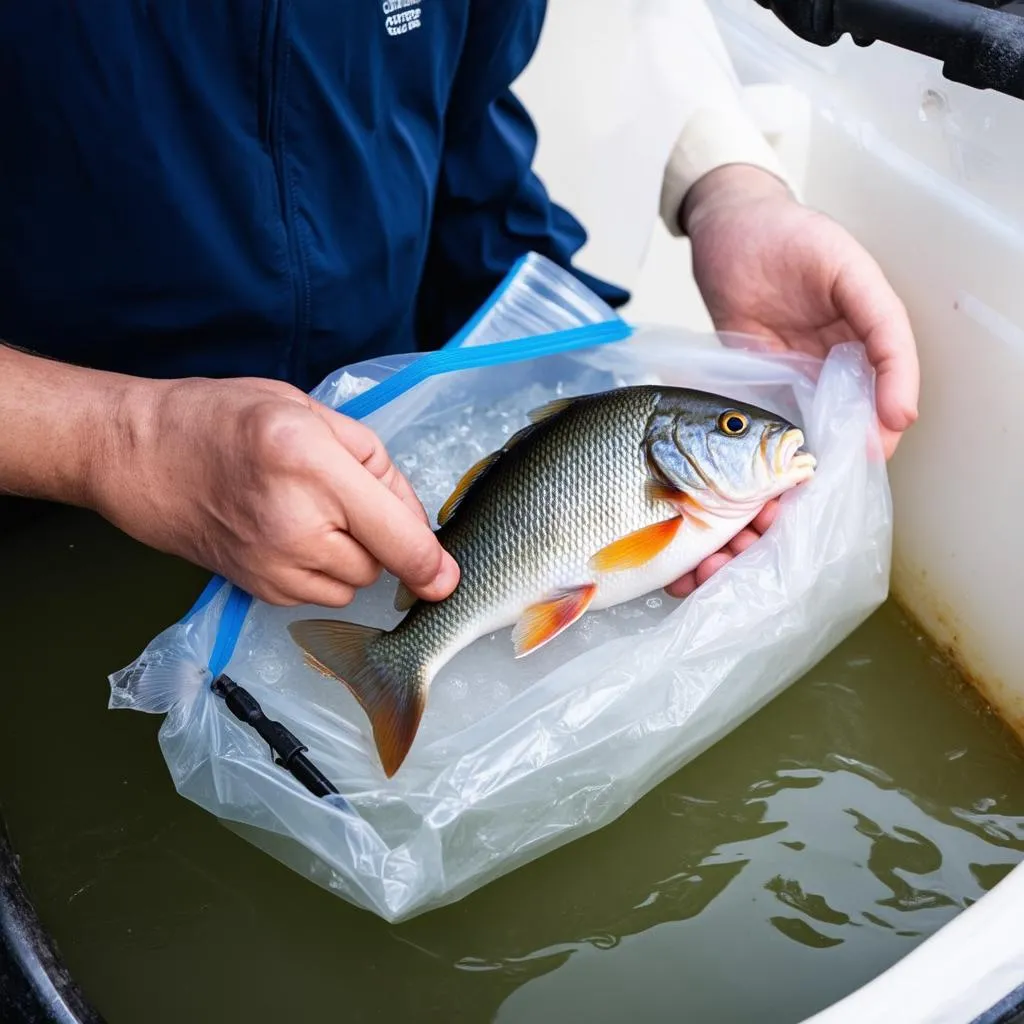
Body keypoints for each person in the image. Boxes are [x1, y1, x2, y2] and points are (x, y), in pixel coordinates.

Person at [0, 1, 917, 611]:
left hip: (380, 504)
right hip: (46, 526)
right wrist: (119, 439)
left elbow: (464, 161)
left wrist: (729, 201)